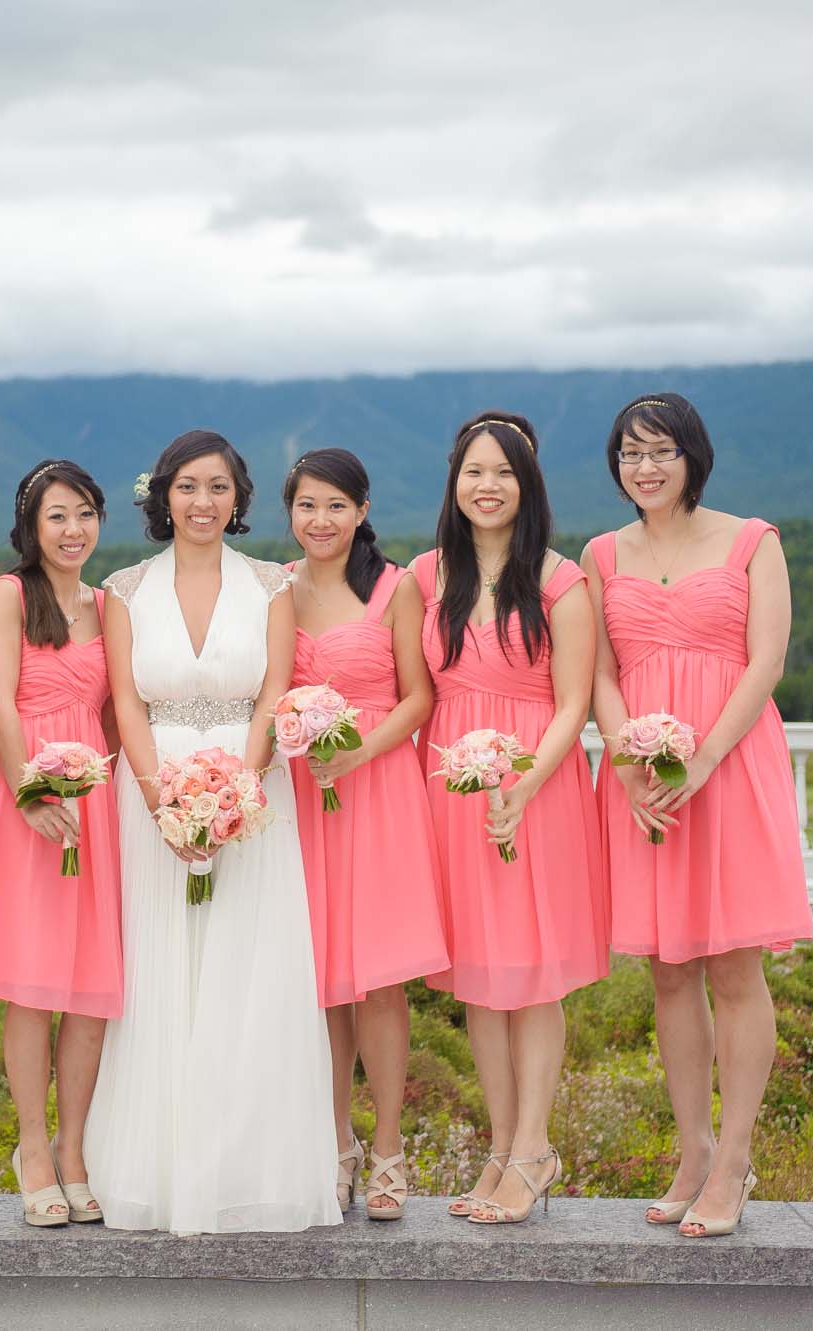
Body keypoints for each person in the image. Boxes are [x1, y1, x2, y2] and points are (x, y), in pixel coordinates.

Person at [86, 428, 340, 1234]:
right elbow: (127, 701)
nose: (203, 501)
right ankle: (155, 1172)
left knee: (248, 971)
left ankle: (248, 1172)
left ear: (239, 499)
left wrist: (236, 787)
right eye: (188, 486)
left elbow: (275, 691)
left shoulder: (272, 584)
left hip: (255, 794)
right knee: (160, 974)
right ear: (163, 496)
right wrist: (165, 801)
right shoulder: (122, 588)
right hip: (151, 792)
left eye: (219, 487)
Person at [581, 391, 811, 1238]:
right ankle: (692, 1148)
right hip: (644, 779)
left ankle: (738, 1159)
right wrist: (628, 757)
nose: (644, 467)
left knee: (733, 967)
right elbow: (599, 670)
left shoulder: (753, 540)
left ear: (692, 457)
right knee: (669, 969)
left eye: (660, 451)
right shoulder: (602, 555)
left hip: (731, 764)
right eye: (630, 454)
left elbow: (768, 657)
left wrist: (705, 756)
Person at [410, 411, 608, 1226]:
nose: (486, 487)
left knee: (532, 975)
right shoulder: (425, 577)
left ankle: (534, 1147)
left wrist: (524, 784)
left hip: (539, 787)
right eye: (472, 472)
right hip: (452, 786)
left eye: (503, 473)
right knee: (480, 983)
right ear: (454, 484)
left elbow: (575, 703)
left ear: (528, 485)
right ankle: (499, 1148)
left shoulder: (561, 581)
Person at [0, 460, 121, 1227]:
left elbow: (116, 712)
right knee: (34, 980)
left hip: (96, 795)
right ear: (29, 526)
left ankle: (75, 1149)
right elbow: (1, 702)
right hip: (26, 790)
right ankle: (33, 1147)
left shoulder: (109, 605)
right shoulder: (10, 596)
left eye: (83, 514)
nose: (72, 530)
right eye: (56, 516)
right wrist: (30, 791)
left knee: (90, 982)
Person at [282, 447, 448, 1219]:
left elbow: (419, 696)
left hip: (377, 788)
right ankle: (334, 1141)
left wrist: (362, 750)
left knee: (378, 977)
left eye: (336, 505)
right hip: (302, 797)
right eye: (308, 505)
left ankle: (387, 1147)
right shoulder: (276, 589)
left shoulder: (396, 586)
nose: (321, 520)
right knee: (318, 978)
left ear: (363, 510)